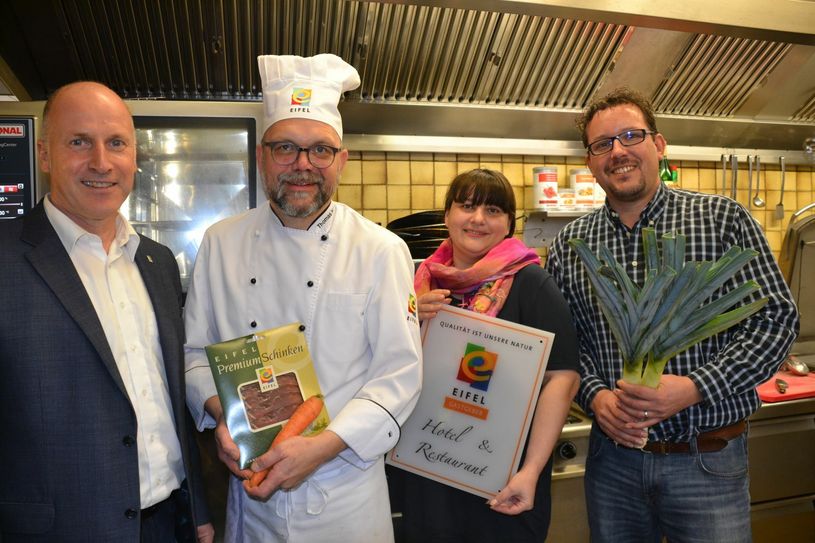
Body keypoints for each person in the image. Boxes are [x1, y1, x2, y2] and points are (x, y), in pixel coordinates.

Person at [183, 54, 423, 542]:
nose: (303, 166)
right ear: (261, 155)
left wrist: (320, 448)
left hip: (344, 497)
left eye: (320, 151)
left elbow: (398, 376)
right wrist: (222, 421)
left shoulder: (380, 250)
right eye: (286, 148)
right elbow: (193, 356)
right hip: (251, 502)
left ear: (342, 160)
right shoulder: (221, 242)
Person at [545, 88, 800, 542]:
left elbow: (776, 319)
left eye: (630, 136)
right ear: (590, 162)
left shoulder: (722, 220)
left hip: (707, 459)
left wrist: (694, 388)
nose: (618, 151)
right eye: (603, 144)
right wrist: (597, 398)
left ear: (658, 145)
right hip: (613, 465)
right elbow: (563, 345)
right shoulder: (571, 245)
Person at [0, 82, 213, 542]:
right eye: (79, 142)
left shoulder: (157, 262)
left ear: (135, 157)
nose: (101, 162)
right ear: (44, 155)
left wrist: (198, 509)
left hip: (169, 524)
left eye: (116, 143)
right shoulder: (6, 260)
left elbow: (168, 396)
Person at [399, 168, 580, 542]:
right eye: (467, 206)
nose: (478, 219)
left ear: (509, 223)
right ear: (447, 215)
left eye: (494, 210)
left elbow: (563, 378)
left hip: (501, 480)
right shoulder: (418, 284)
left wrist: (530, 472)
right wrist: (410, 320)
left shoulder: (531, 283)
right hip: (427, 472)